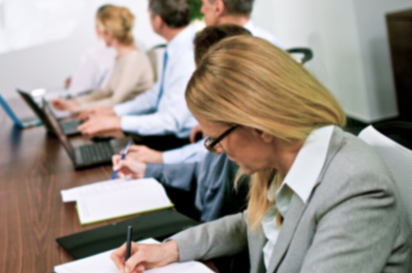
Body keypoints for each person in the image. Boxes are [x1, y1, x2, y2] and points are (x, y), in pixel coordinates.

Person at [110, 36, 411, 273]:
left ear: (260, 126)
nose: (218, 151)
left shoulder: (357, 189)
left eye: (216, 139)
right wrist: (170, 249)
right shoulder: (287, 157)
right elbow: (252, 225)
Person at [112, 24, 252, 223]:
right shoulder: (224, 139)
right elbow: (202, 172)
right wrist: (149, 169)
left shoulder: (234, 148)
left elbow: (214, 225)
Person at [128, 0, 285, 165]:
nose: (201, 9)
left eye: (204, 4)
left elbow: (231, 139)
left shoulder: (244, 53)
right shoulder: (258, 42)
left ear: (218, 7)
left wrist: (161, 158)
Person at [77, 0, 197, 148]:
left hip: (178, 141)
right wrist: (113, 112)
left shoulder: (187, 55)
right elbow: (154, 97)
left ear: (158, 21)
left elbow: (172, 121)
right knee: (102, 141)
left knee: (106, 149)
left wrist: (118, 121)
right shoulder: (176, 48)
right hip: (165, 133)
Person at [51, 5, 154, 113]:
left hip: (131, 119)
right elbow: (105, 91)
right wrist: (75, 102)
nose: (97, 33)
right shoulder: (121, 57)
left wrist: (79, 108)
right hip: (121, 115)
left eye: (99, 29)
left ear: (109, 34)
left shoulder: (134, 59)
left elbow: (115, 101)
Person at [63, 4, 117, 97]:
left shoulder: (93, 55)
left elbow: (78, 91)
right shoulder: (139, 46)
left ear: (98, 28)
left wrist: (75, 83)